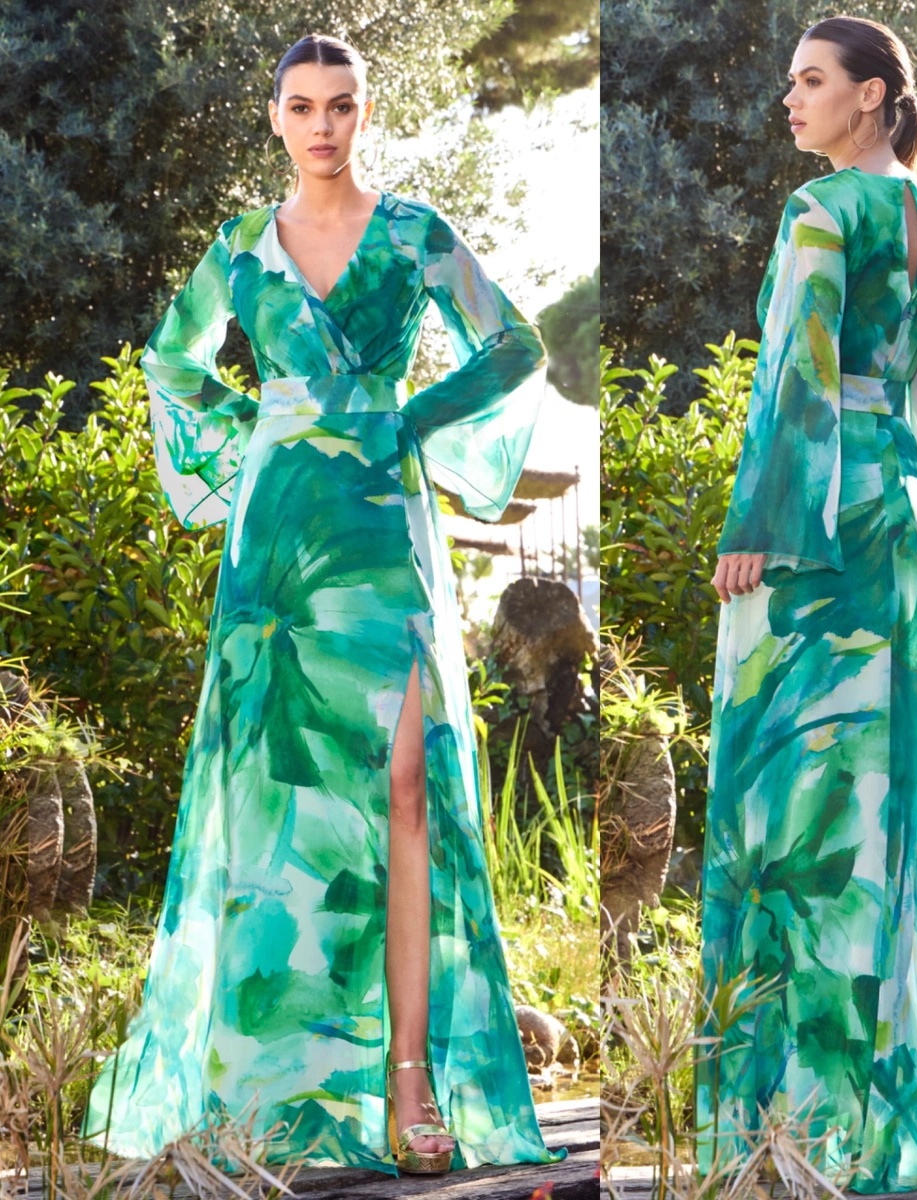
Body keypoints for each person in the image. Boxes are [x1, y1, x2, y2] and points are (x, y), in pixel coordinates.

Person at [81, 33, 568, 1179]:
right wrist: (258, 428)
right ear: (276, 118)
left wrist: (409, 418)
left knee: (406, 787)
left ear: (364, 114)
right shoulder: (240, 247)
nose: (322, 126)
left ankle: (409, 1080)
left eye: (341, 105)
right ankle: (261, 1088)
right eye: (301, 107)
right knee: (272, 801)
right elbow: (170, 360)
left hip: (384, 527)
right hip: (280, 539)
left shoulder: (413, 233)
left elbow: (516, 346)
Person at [695, 16, 917, 1192]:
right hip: (890, 512)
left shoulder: (823, 210)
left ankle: (790, 1123)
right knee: (882, 803)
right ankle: (880, 1117)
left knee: (788, 800)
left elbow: (797, 374)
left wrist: (759, 522)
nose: (790, 100)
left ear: (874, 94)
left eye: (812, 80)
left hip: (815, 528)